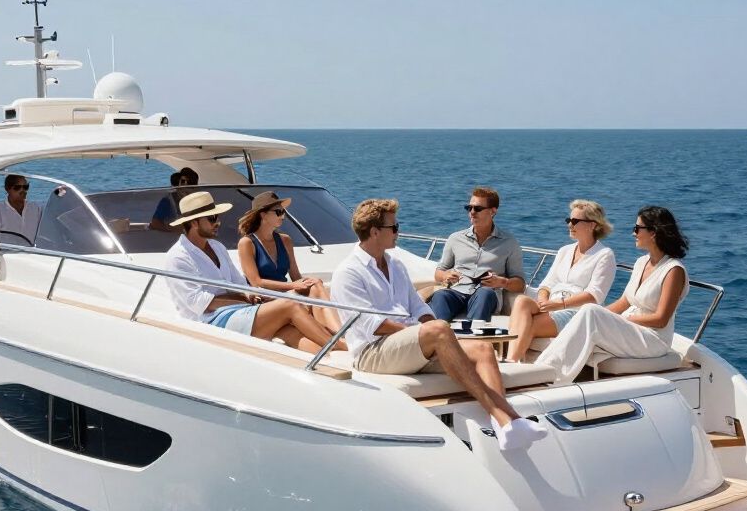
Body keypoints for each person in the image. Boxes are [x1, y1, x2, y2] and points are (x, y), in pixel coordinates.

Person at [330, 198, 546, 451]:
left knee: (482, 349)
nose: (398, 232)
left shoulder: (395, 264)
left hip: (409, 346)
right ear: (375, 231)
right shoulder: (349, 272)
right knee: (439, 329)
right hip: (373, 352)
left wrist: (433, 333)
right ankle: (505, 419)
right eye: (394, 227)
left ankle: (507, 426)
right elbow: (373, 325)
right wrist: (427, 333)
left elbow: (418, 307)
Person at [163, 190, 343, 353]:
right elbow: (200, 303)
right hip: (210, 321)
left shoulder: (217, 247)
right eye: (212, 218)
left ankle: (333, 358)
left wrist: (253, 296)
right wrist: (247, 297)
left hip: (239, 311)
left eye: (217, 217)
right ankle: (338, 345)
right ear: (194, 223)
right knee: (290, 305)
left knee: (288, 328)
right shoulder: (178, 257)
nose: (218, 222)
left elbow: (240, 284)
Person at [536, 205, 690, 383]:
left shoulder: (673, 270)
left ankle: (548, 375)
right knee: (589, 311)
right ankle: (546, 370)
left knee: (591, 312)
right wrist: (591, 315)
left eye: (637, 229)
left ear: (653, 232)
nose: (633, 233)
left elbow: (661, 319)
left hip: (653, 339)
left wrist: (621, 320)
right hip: (632, 330)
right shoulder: (641, 262)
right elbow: (624, 302)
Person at [507, 200, 617, 362]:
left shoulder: (604, 255)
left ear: (592, 225)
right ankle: (513, 362)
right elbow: (547, 284)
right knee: (521, 301)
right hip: (552, 306)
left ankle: (511, 362)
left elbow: (595, 295)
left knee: (528, 323)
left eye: (575, 221)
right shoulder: (564, 251)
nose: (570, 225)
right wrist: (544, 302)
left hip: (577, 314)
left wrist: (559, 305)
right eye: (569, 220)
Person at [237, 191, 344, 334]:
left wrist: (307, 282)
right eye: (278, 212)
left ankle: (337, 332)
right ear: (263, 215)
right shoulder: (247, 243)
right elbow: (256, 282)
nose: (283, 216)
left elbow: (295, 276)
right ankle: (336, 333)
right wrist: (293, 286)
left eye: (284, 212)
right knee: (314, 290)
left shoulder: (285, 240)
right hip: (265, 299)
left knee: (316, 284)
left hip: (286, 293)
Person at [429, 187, 525, 324]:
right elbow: (439, 272)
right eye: (469, 208)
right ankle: (438, 332)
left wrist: (502, 282)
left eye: (478, 209)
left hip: (486, 294)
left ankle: (474, 334)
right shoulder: (455, 238)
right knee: (440, 296)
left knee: (484, 293)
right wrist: (445, 276)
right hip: (457, 291)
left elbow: (520, 284)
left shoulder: (509, 242)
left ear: (493, 211)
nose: (472, 212)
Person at [0, 174, 43, 244]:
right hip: (8, 250)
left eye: (25, 187)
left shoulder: (36, 208)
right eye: (17, 187)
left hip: (32, 250)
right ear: (7, 189)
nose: (22, 190)